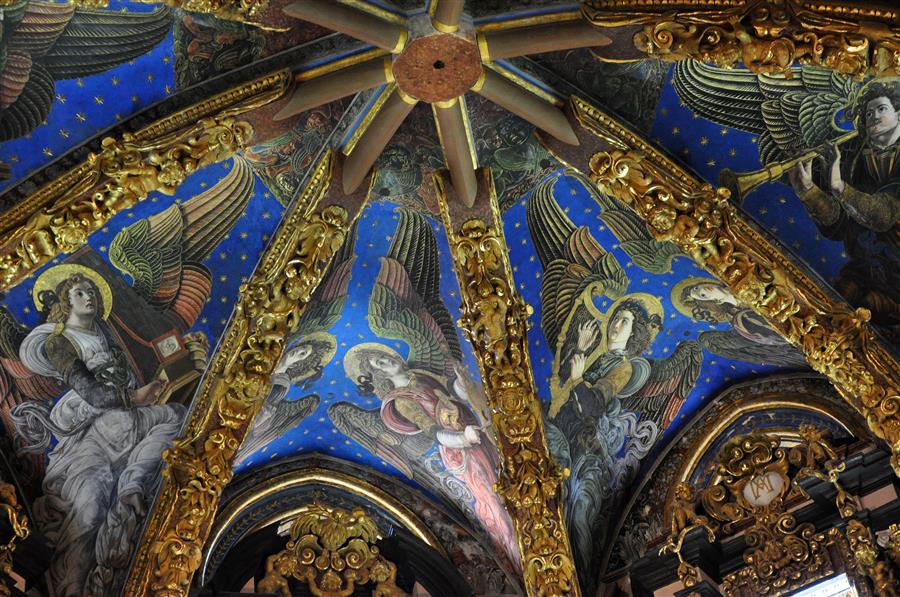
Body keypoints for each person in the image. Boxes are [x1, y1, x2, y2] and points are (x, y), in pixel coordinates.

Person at [12, 266, 185, 597]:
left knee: (178, 416)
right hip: (93, 433)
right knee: (89, 513)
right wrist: (135, 397)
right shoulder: (58, 342)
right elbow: (91, 392)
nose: (88, 296)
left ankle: (133, 484)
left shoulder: (106, 334)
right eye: (79, 293)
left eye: (92, 291)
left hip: (130, 420)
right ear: (65, 302)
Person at [346, 344, 516, 562]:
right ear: (380, 374)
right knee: (491, 497)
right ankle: (511, 549)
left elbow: (452, 394)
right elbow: (433, 432)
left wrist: (461, 382)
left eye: (383, 356)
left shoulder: (420, 376)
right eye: (380, 363)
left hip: (477, 433)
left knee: (507, 485)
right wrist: (463, 439)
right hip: (460, 450)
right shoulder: (402, 400)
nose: (386, 359)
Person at [789, 79, 900, 343]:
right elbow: (839, 225)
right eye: (868, 113)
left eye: (881, 109)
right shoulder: (853, 160)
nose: (873, 117)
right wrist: (809, 191)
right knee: (833, 314)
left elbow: (884, 215)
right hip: (868, 268)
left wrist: (840, 187)